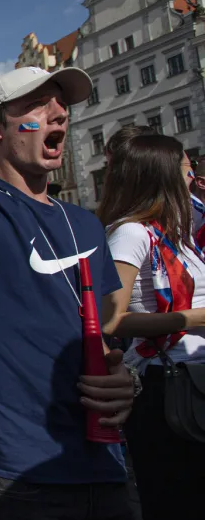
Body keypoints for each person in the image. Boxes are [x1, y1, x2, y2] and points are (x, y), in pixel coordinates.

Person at [0, 52, 136, 520]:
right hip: (15, 472)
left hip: (106, 462)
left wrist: (123, 378)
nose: (59, 113)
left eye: (62, 105)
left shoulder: (85, 223)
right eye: (37, 105)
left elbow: (107, 332)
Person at [96, 135, 205, 517]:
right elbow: (111, 318)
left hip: (190, 376)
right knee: (176, 498)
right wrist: (198, 317)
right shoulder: (131, 233)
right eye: (185, 166)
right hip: (166, 383)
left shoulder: (179, 234)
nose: (192, 173)